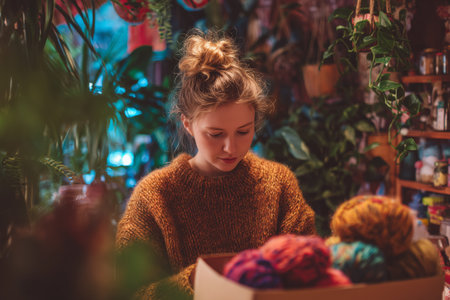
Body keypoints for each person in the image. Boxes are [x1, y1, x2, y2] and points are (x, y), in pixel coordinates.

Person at [115, 31, 316, 299]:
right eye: (216, 134)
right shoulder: (155, 196)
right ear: (187, 124)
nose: (231, 148)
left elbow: (313, 273)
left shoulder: (278, 184)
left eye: (243, 131)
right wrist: (199, 280)